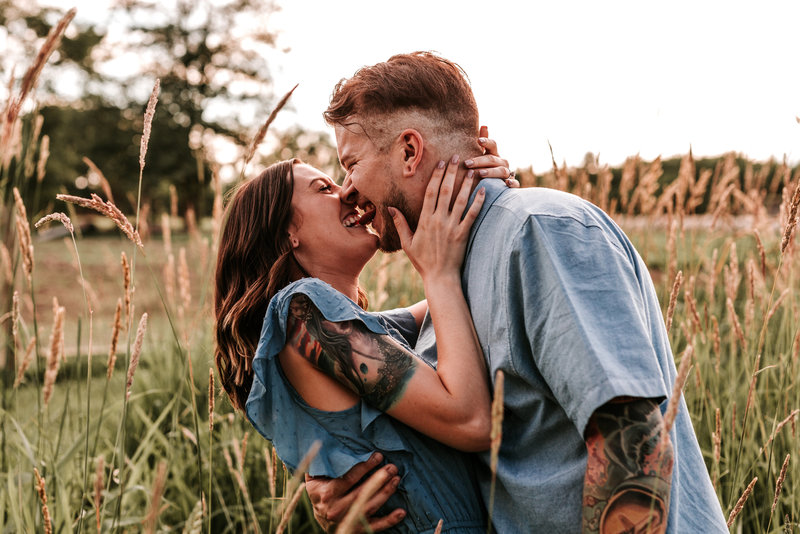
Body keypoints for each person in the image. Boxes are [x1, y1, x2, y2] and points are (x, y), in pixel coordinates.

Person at [306, 51, 729, 533]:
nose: (347, 189)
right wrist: (343, 484)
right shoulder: (450, 272)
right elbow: (362, 352)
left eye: (351, 164)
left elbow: (630, 442)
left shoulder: (541, 233)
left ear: (409, 151)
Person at [214, 144, 515, 532]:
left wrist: (485, 188)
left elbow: (462, 291)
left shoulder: (361, 330)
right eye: (324, 188)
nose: (347, 193)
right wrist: (436, 273)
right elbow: (473, 421)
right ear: (288, 232)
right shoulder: (304, 310)